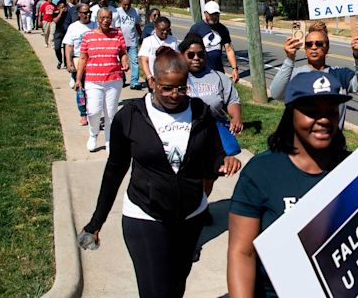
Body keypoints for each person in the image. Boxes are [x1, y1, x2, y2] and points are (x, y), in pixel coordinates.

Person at [77, 46, 241, 298]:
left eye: (181, 87)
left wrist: (224, 162)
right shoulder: (131, 116)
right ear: (152, 81)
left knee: (176, 287)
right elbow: (115, 170)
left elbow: (211, 158)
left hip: (191, 217)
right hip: (145, 216)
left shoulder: (200, 112)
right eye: (166, 87)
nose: (174, 95)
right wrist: (96, 221)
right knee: (155, 292)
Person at [228, 71, 352, 297]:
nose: (323, 120)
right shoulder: (260, 172)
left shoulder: (353, 168)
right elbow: (241, 253)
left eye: (331, 112)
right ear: (291, 114)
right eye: (312, 112)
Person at [269, 29, 358, 129]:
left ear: (327, 48)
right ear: (305, 49)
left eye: (318, 44)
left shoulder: (340, 74)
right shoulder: (295, 74)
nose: (313, 47)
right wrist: (290, 59)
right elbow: (276, 93)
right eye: (309, 44)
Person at [74, 8, 128, 152]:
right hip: (93, 80)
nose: (106, 20)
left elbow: (123, 52)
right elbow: (83, 58)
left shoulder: (118, 34)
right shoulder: (88, 36)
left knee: (110, 113)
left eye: (108, 18)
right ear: (97, 19)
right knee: (93, 111)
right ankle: (93, 133)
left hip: (113, 80)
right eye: (103, 18)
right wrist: (78, 79)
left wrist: (124, 62)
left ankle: (110, 139)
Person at [189, 0, 239, 82]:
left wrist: (234, 68)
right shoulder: (196, 28)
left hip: (218, 71)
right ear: (205, 13)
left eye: (216, 14)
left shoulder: (222, 29)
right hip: (200, 71)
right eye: (211, 14)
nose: (214, 17)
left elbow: (229, 49)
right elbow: (187, 50)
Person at [63, 3, 97, 126]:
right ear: (79, 14)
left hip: (93, 61)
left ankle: (94, 113)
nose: (87, 15)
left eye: (89, 12)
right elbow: (68, 46)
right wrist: (69, 62)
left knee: (92, 89)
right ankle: (83, 114)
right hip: (78, 60)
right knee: (81, 89)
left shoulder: (95, 26)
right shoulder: (73, 27)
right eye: (84, 13)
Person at [138, 16, 178, 90]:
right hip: (154, 78)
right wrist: (149, 77)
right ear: (156, 28)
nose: (165, 32)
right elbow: (144, 60)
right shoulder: (148, 41)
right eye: (162, 30)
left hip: (170, 79)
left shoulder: (173, 40)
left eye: (167, 30)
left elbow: (177, 59)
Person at [117, 0, 143, 89]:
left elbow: (137, 25)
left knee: (134, 61)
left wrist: (141, 36)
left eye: (128, 5)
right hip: (120, 42)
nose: (127, 7)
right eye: (125, 5)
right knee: (120, 61)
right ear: (121, 3)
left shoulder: (135, 11)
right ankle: (121, 80)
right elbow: (117, 28)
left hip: (132, 41)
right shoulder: (117, 12)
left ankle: (134, 81)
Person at [52, 0, 68, 69]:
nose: (63, 8)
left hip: (66, 33)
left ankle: (66, 62)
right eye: (61, 7)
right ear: (58, 7)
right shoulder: (55, 13)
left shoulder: (68, 14)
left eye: (64, 7)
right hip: (58, 32)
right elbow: (55, 20)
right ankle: (60, 61)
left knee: (66, 49)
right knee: (57, 48)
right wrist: (60, 13)